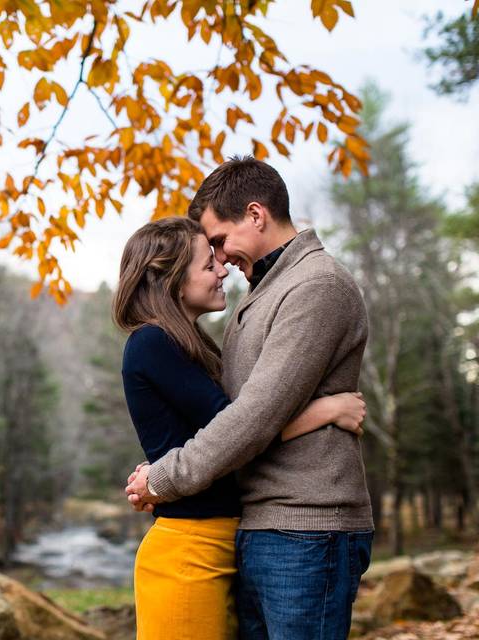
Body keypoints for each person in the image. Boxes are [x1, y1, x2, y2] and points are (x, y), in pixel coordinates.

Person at [125, 157, 374, 640]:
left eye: (219, 242)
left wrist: (162, 476)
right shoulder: (261, 294)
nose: (221, 261)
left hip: (306, 524)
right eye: (209, 255)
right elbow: (237, 417)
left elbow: (251, 419)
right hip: (262, 527)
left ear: (256, 215)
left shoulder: (314, 285)